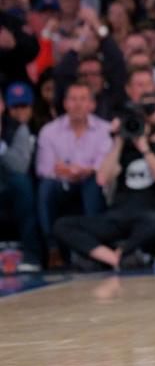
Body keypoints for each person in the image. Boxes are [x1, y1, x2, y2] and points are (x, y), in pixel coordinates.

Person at [53, 92, 155, 270]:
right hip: (117, 218)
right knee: (62, 225)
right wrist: (118, 141)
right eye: (142, 110)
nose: (145, 116)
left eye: (151, 109)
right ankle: (116, 258)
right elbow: (102, 179)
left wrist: (144, 148)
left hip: (150, 219)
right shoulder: (125, 148)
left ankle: (108, 256)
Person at [35, 83, 111, 267]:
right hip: (61, 184)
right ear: (65, 104)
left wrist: (83, 171)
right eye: (73, 99)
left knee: (93, 182)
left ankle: (93, 248)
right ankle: (53, 249)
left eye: (83, 99)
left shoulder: (105, 129)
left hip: (92, 182)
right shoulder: (49, 131)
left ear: (92, 105)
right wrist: (72, 172)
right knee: (46, 187)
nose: (77, 104)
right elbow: (45, 169)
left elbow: (103, 165)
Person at [0, 83, 43, 271]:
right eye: (15, 106)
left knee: (22, 185)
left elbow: (19, 166)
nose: (19, 111)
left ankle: (32, 255)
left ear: (1, 106)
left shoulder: (17, 129)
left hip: (9, 183)